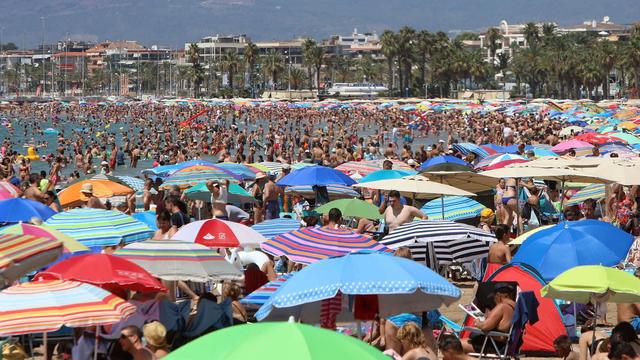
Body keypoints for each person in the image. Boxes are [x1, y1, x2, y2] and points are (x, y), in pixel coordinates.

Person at [462, 285, 516, 354]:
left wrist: (477, 321)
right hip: (505, 344)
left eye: (494, 297)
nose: (494, 300)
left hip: (493, 345)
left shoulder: (502, 306)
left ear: (499, 296)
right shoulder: (516, 307)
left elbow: (484, 326)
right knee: (466, 340)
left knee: (454, 345)